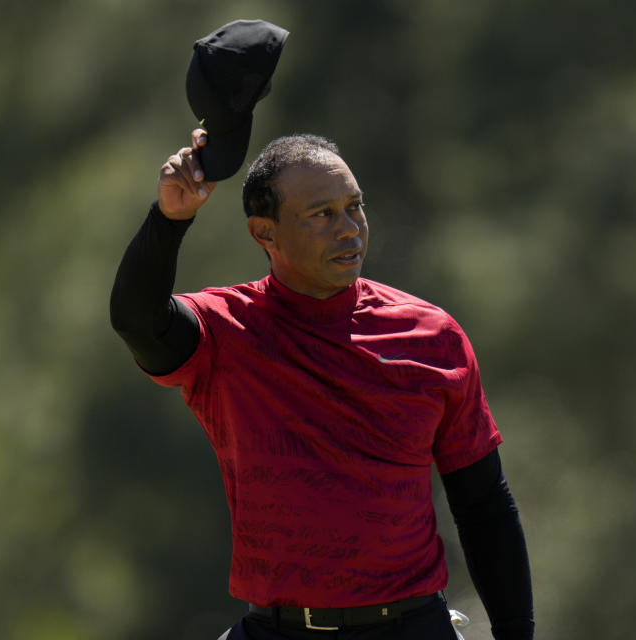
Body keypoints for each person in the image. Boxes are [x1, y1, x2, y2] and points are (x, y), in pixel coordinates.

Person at [110, 129, 535, 640]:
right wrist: (170, 218)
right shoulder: (226, 332)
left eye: (355, 207)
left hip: (411, 627)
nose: (349, 229)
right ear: (264, 233)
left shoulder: (433, 336)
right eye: (322, 214)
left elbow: (483, 502)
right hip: (278, 630)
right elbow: (138, 320)